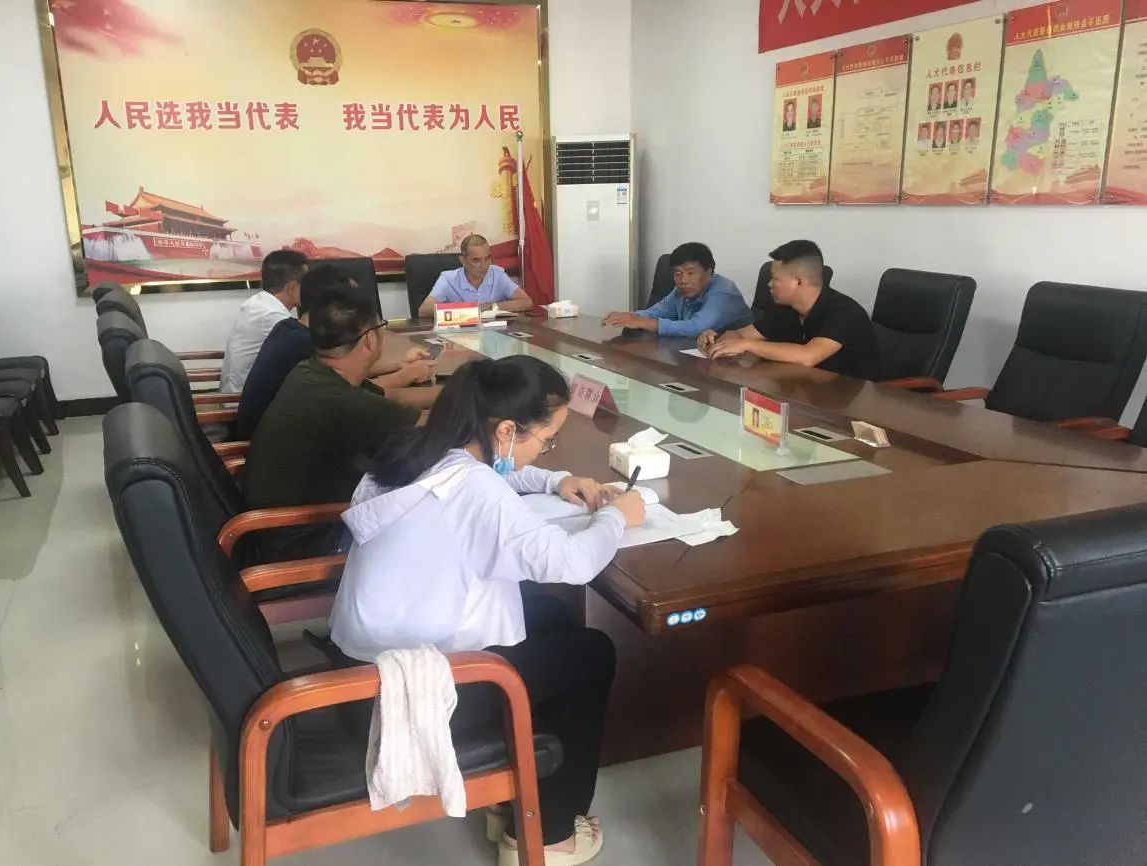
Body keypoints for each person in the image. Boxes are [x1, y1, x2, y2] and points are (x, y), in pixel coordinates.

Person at [329, 355, 646, 866]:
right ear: (505, 431)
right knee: (592, 653)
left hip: (366, 665)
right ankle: (550, 835)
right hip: (405, 696)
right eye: (546, 440)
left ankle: (512, 797)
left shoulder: (419, 449)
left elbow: (484, 476)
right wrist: (616, 517)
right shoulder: (475, 488)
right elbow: (570, 562)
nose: (545, 450)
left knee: (550, 619)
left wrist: (553, 479)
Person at [243, 286, 442, 560]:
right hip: (310, 543)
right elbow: (434, 428)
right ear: (370, 339)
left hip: (278, 529)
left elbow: (391, 397)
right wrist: (477, 399)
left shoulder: (311, 372)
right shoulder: (342, 402)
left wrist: (448, 391)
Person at [236, 266, 436, 438]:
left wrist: (400, 367)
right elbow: (431, 426)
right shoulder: (341, 397)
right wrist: (405, 375)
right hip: (250, 443)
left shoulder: (305, 357)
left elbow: (383, 395)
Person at [697, 240, 880, 381]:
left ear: (798, 282)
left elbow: (808, 356)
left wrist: (747, 345)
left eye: (775, 278)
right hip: (802, 390)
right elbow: (743, 335)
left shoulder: (845, 312)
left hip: (851, 401)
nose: (769, 284)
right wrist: (715, 338)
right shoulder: (784, 308)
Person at [601, 242, 753, 338]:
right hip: (697, 354)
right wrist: (629, 316)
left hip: (742, 362)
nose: (683, 280)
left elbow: (697, 328)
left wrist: (642, 322)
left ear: (709, 272)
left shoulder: (723, 293)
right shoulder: (680, 291)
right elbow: (654, 313)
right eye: (677, 274)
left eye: (690, 273)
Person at [220, 249, 309, 393]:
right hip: (242, 398)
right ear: (292, 287)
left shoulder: (258, 302)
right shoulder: (273, 315)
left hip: (237, 391)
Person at [418, 234, 533, 318]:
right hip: (460, 336)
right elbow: (424, 310)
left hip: (493, 335)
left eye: (487, 258)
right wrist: (473, 309)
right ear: (463, 261)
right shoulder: (448, 279)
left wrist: (490, 307)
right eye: (476, 260)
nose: (484, 265)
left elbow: (527, 302)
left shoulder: (497, 273)